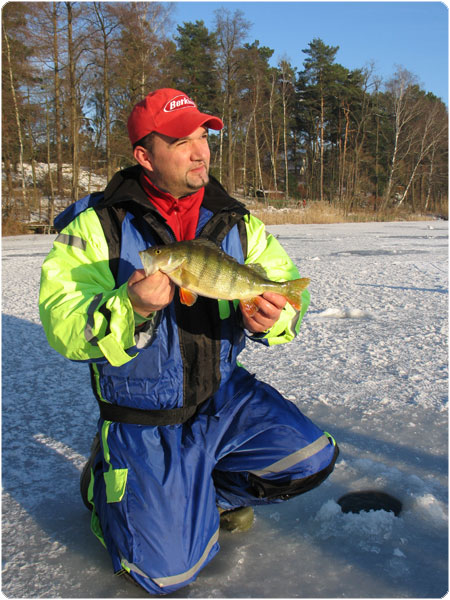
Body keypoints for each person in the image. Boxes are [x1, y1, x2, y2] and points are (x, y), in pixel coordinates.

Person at [39, 88, 338, 595]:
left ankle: (200, 493)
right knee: (166, 573)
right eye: (182, 141)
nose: (201, 151)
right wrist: (128, 307)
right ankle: (108, 488)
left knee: (308, 458)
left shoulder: (238, 221)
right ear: (144, 155)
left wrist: (275, 317)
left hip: (223, 395)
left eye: (203, 137)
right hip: (144, 413)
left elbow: (288, 289)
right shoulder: (95, 225)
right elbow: (63, 325)